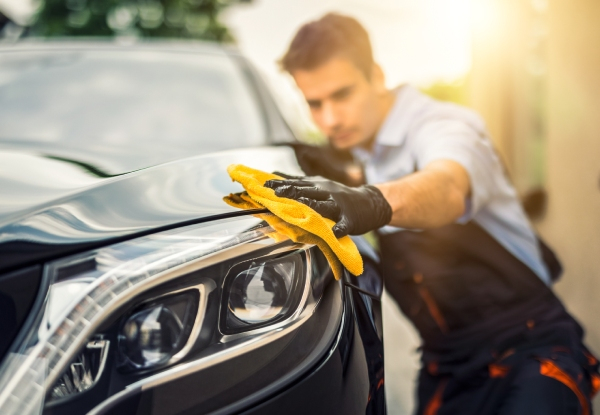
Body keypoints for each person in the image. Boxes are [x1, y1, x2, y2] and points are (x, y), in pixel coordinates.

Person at [266, 13, 600, 415]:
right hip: (447, 368)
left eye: (342, 95)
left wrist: (370, 201)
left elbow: (447, 187)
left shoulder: (444, 124)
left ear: (376, 74)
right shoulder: (361, 153)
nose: (330, 119)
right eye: (314, 103)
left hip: (529, 352)